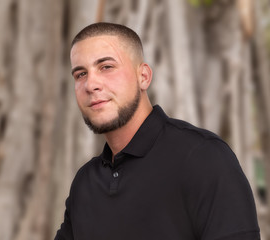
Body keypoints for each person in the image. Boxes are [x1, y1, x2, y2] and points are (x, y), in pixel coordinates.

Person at [54, 22, 260, 240]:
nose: (90, 84)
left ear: (143, 76)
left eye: (106, 67)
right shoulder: (86, 182)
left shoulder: (203, 158)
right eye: (80, 74)